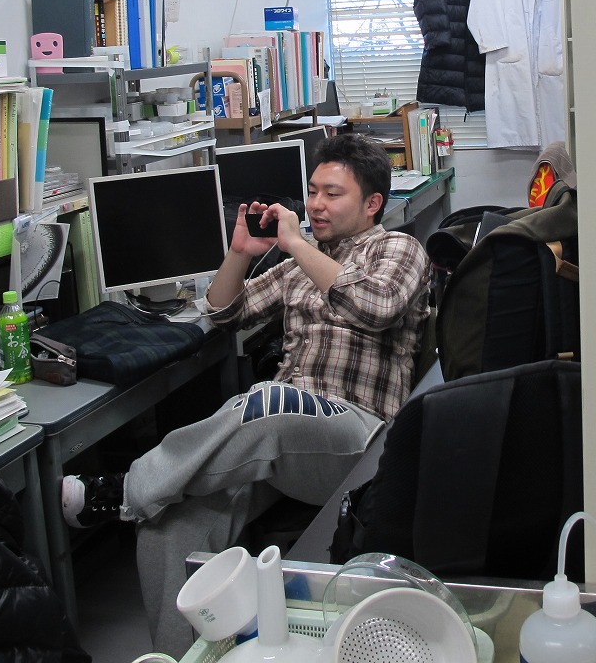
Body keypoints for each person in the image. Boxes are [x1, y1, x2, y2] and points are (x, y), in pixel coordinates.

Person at [60, 133, 430, 653]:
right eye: (312, 192)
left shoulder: (398, 249)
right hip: (281, 438)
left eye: (332, 194)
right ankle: (181, 655)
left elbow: (375, 307)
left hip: (359, 440)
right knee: (169, 522)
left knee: (264, 403)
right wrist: (239, 254)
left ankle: (125, 489)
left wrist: (296, 245)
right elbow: (222, 312)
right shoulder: (302, 263)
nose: (316, 205)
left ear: (372, 204)